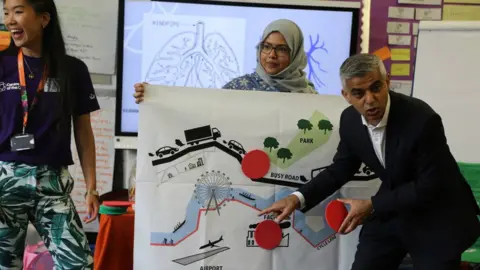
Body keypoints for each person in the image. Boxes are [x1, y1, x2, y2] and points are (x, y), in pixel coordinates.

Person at [259, 53, 480, 270]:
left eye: (376, 88)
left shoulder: (422, 119)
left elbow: (430, 185)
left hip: (438, 214)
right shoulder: (350, 121)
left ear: (387, 82)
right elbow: (341, 169)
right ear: (346, 95)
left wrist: (373, 205)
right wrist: (297, 198)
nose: (370, 100)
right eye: (358, 93)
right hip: (393, 208)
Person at [1, 0, 99, 268]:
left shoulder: (72, 69)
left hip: (52, 183)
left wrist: (92, 187)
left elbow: (83, 130)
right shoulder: (2, 64)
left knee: (78, 264)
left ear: (44, 19)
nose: (10, 20)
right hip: (4, 181)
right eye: (6, 12)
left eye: (18, 11)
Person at [133, 19, 315, 102]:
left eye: (282, 49)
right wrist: (153, 97)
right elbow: (199, 115)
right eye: (266, 46)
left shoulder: (309, 94)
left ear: (296, 54)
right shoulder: (239, 88)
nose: (271, 55)